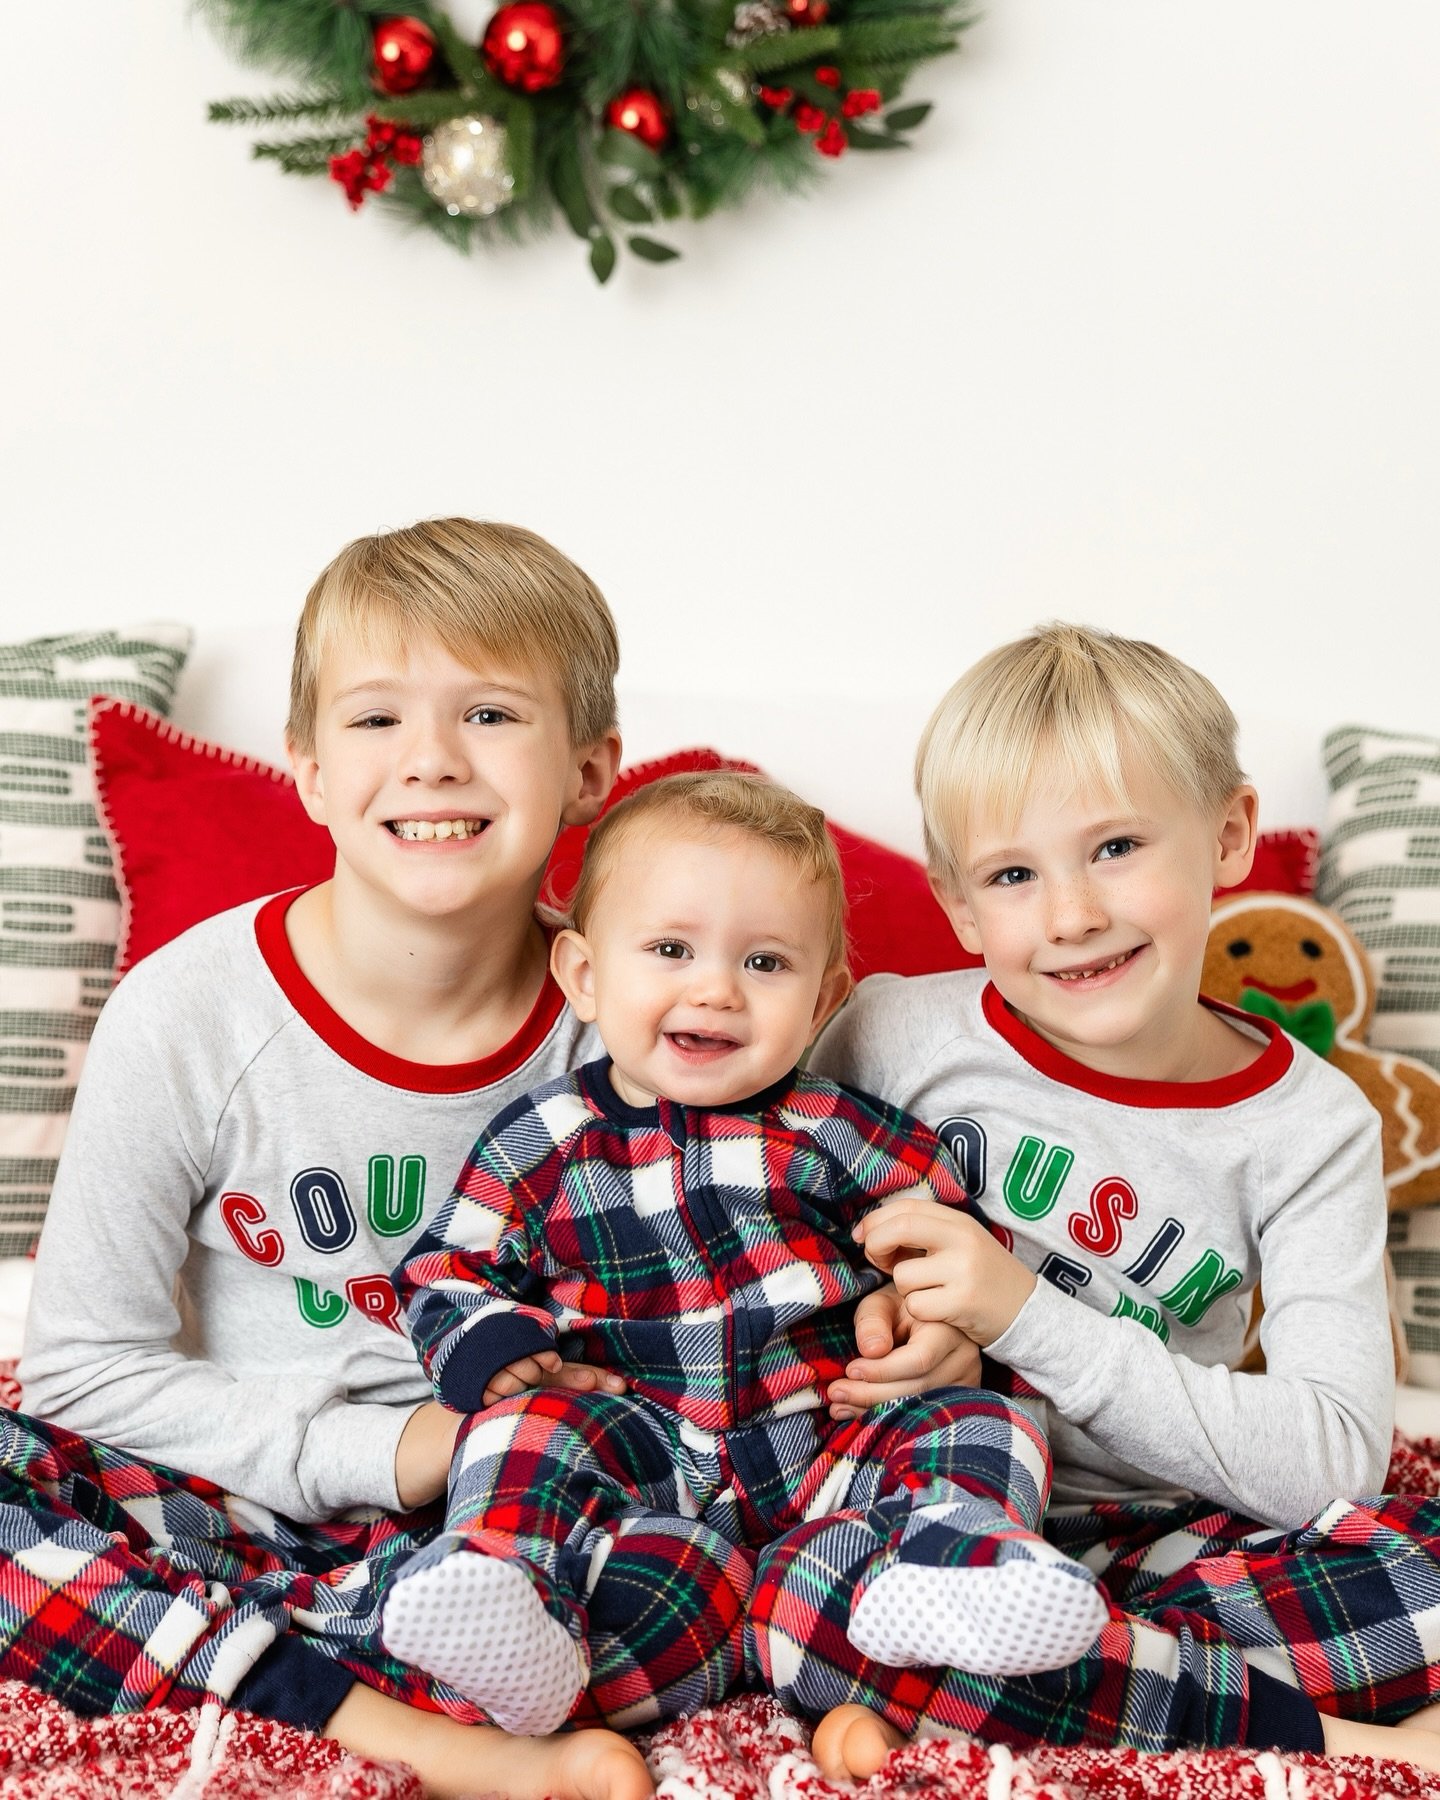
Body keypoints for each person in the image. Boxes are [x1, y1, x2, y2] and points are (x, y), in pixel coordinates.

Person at [8, 518, 652, 1800]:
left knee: (716, 1526)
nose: (430, 761)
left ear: (589, 772)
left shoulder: (638, 1028)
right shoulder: (187, 1012)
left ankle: (319, 1672)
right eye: (374, 722)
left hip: (523, 1528)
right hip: (232, 1500)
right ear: (303, 767)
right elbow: (83, 1367)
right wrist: (384, 1452)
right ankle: (418, 1736)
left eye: (489, 715)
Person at [756, 621, 1440, 1778]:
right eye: (1014, 875)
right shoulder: (892, 1033)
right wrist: (876, 1329)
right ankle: (1310, 1735)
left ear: (1227, 835)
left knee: (1421, 1579)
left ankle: (1034, 1687)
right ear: (961, 907)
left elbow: (1333, 1462)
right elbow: (748, 1235)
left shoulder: (1311, 1126)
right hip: (926, 1522)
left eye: (1115, 846)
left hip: (1167, 1535)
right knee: (811, 1602)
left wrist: (1022, 1313)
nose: (1070, 915)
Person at [382, 770, 1109, 1739]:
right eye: (671, 950)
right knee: (521, 1432)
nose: (716, 989)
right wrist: (490, 1340)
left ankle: (947, 1559)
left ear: (823, 1001)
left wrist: (925, 1318)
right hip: (640, 1464)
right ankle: (516, 1602)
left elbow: (950, 1237)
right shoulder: (541, 1139)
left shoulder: (836, 1130)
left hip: (830, 1448)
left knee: (981, 1419)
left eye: (766, 964)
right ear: (585, 976)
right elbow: (443, 1268)